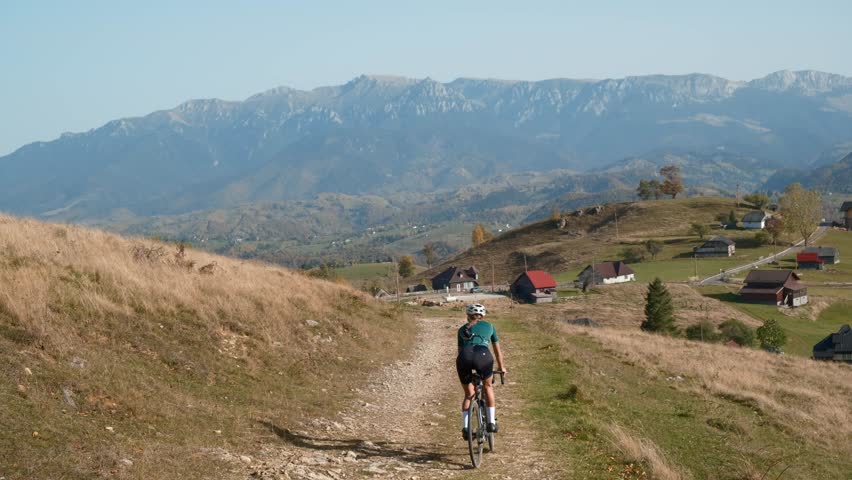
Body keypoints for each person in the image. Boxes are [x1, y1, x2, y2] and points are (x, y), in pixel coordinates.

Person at [457, 303, 505, 440]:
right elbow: (496, 349)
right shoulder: (490, 326)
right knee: (487, 386)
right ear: (483, 316)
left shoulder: (461, 330)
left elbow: (460, 353)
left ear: (468, 316)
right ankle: (491, 423)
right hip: (482, 356)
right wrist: (501, 367)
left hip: (464, 357)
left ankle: (466, 429)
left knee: (468, 395)